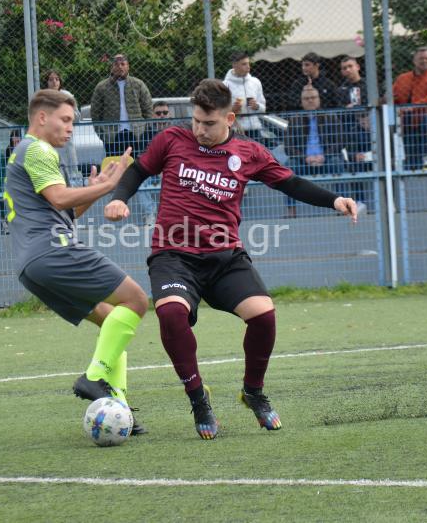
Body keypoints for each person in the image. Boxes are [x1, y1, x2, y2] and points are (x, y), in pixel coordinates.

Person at [104, 79, 361, 440]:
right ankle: (198, 399)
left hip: (224, 258)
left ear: (230, 118)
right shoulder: (172, 140)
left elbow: (290, 183)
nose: (200, 129)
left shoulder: (249, 152)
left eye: (209, 123)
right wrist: (119, 198)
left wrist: (335, 200)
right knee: (171, 314)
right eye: (196, 120)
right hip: (173, 256)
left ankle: (253, 392)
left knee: (264, 316)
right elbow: (137, 171)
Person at [4, 89, 149, 434]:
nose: (71, 128)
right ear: (42, 117)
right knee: (136, 300)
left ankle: (117, 406)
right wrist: (110, 186)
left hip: (31, 266)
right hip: (54, 250)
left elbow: (65, 211)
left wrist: (94, 187)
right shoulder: (37, 149)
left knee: (112, 323)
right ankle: (94, 378)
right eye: (66, 120)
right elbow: (59, 198)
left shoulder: (25, 153)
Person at [283, 86, 343, 218]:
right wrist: (305, 157)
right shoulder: (294, 120)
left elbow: (340, 142)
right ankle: (291, 210)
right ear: (302, 102)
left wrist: (324, 156)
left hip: (326, 160)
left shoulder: (331, 117)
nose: (310, 100)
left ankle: (340, 205)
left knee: (337, 162)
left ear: (319, 99)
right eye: (306, 98)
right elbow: (288, 147)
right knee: (289, 167)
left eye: (313, 97)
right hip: (303, 161)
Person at [90, 53, 153, 157]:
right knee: (114, 164)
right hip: (112, 135)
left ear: (128, 66)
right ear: (111, 67)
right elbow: (95, 114)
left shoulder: (138, 84)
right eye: (116, 64)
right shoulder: (102, 87)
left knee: (136, 164)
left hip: (136, 133)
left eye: (123, 64)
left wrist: (145, 131)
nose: (120, 67)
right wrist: (103, 135)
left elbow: (148, 109)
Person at [392, 47, 427, 169]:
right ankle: (410, 167)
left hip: (425, 118)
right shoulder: (402, 78)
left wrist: (413, 107)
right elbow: (394, 96)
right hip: (406, 120)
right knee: (410, 155)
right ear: (414, 61)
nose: (424, 61)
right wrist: (384, 99)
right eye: (421, 58)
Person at [43, 69, 82, 187]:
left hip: (66, 138)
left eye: (57, 79)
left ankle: (74, 184)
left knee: (71, 165)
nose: (54, 82)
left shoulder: (67, 96)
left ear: (60, 81)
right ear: (46, 82)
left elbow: (77, 116)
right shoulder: (43, 98)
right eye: (51, 79)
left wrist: (66, 113)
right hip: (50, 137)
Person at [222, 51, 266, 142]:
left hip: (255, 129)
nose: (248, 67)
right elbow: (220, 112)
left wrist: (257, 106)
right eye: (244, 64)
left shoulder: (255, 82)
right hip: (236, 130)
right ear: (234, 65)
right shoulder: (225, 85)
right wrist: (232, 110)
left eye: (248, 63)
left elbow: (263, 108)